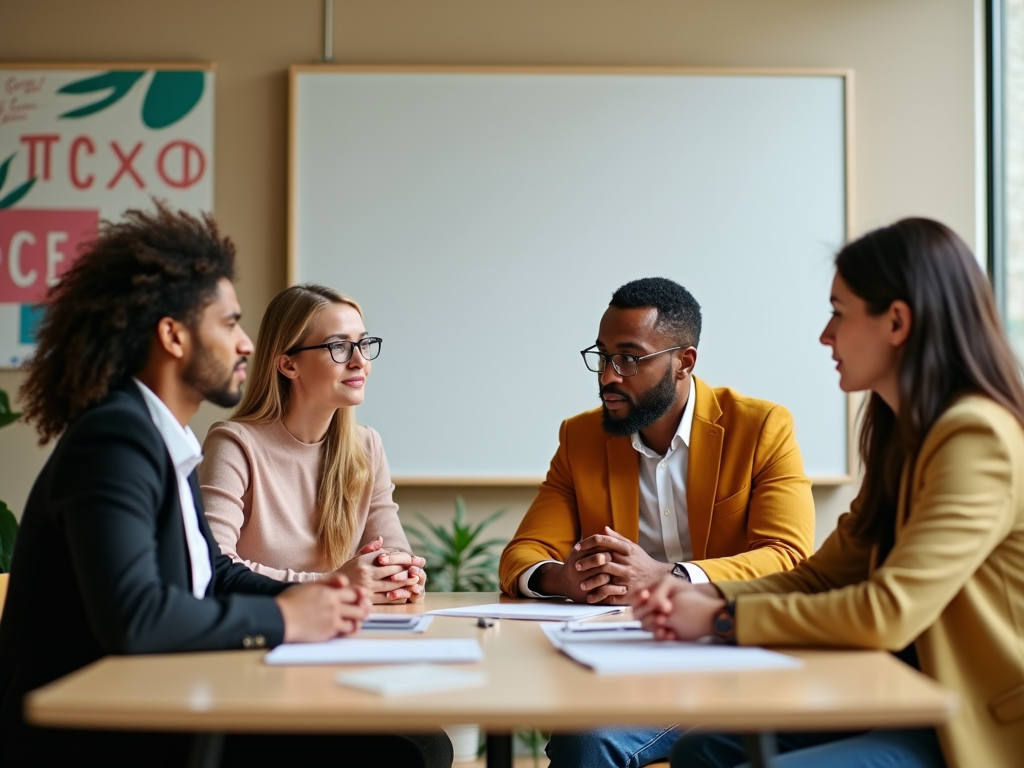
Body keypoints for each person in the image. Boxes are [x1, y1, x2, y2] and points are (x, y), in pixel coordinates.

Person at [0, 204, 451, 768]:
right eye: (229, 323)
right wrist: (289, 618)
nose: (245, 345)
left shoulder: (161, 438)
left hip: (150, 700)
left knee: (420, 744)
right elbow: (137, 617)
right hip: (91, 729)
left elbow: (211, 574)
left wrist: (320, 598)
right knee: (405, 752)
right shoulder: (113, 440)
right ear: (173, 336)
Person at [634, 218, 1024, 768]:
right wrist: (712, 597)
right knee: (703, 749)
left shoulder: (975, 437)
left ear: (896, 321)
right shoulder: (903, 436)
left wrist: (724, 622)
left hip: (969, 717)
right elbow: (824, 575)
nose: (825, 335)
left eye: (839, 312)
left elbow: (889, 612)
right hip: (899, 691)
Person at [498, 277, 816, 768]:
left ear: (683, 362)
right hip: (626, 661)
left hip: (732, 654)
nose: (608, 375)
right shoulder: (580, 437)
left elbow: (788, 556)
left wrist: (669, 577)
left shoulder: (761, 427)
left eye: (629, 358)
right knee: (582, 733)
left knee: (592, 736)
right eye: (601, 356)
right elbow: (523, 554)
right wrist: (564, 577)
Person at [199, 283, 426, 603]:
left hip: (344, 631)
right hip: (266, 636)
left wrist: (401, 573)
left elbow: (394, 551)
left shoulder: (366, 446)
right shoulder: (235, 445)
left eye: (363, 343)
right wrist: (335, 584)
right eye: (340, 347)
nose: (359, 360)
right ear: (289, 364)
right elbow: (212, 568)